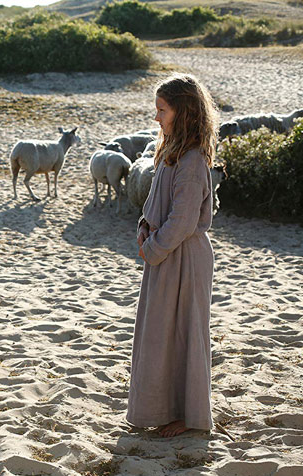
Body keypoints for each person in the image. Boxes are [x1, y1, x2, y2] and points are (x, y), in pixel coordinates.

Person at [127, 73, 219, 438]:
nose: (156, 118)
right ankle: (163, 408)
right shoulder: (169, 152)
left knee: (185, 334)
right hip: (166, 257)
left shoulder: (193, 160)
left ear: (182, 112)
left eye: (162, 110)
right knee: (161, 335)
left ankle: (189, 416)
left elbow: (182, 220)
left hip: (183, 258)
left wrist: (151, 249)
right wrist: (144, 227)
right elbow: (157, 206)